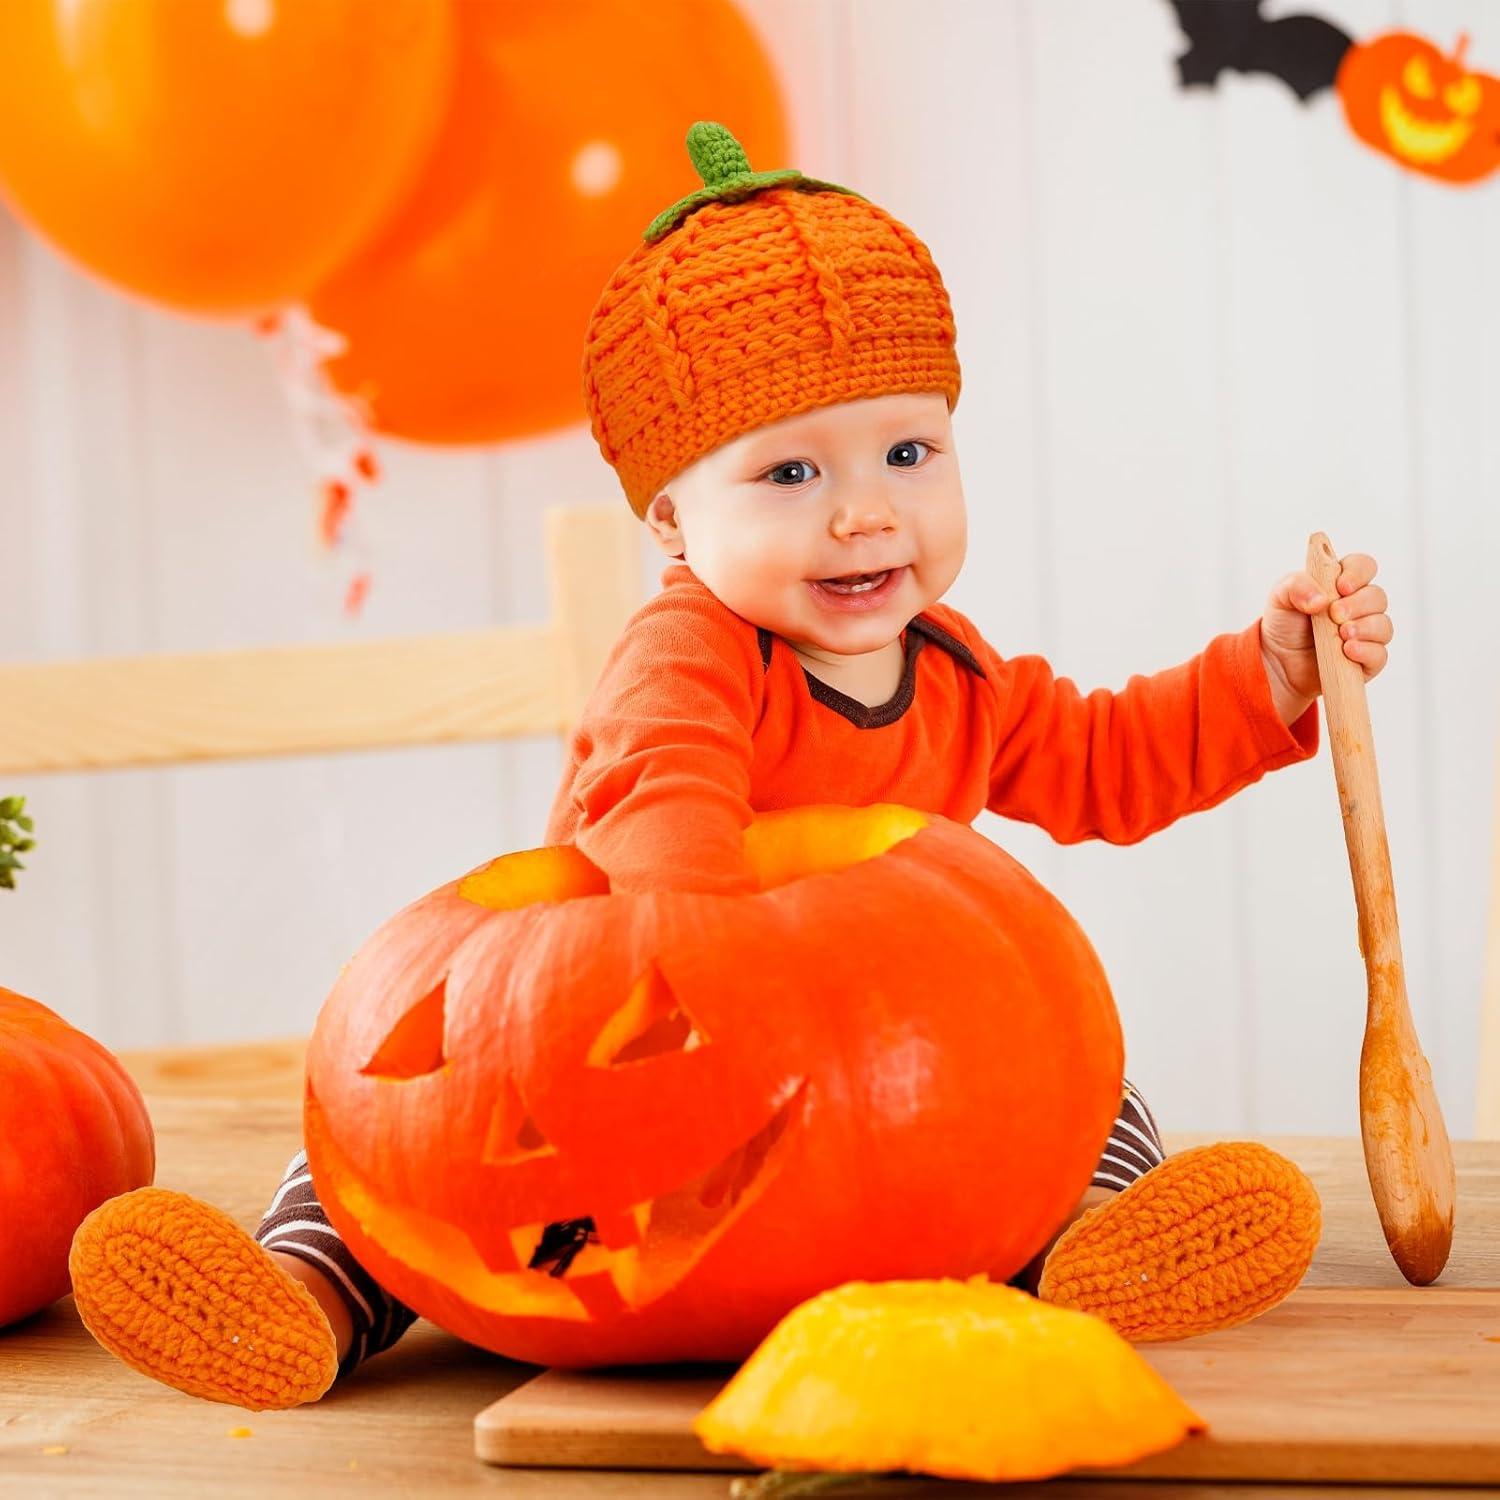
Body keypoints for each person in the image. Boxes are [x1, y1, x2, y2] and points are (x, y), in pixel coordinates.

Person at [70, 122, 1391, 1411]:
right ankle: (294, 1296)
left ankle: (1102, 1253)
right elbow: (666, 806)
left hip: (894, 1064)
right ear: (670, 519)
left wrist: (1270, 673)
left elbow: (1110, 756)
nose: (864, 508)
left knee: (1087, 1091)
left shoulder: (952, 668)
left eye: (908, 452)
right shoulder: (689, 654)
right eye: (793, 469)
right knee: (403, 1160)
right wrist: (722, 982)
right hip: (652, 1041)